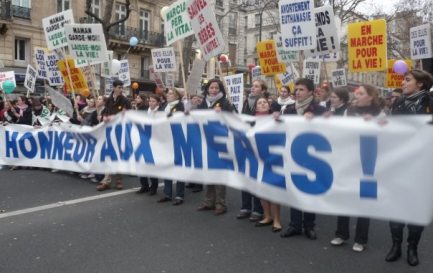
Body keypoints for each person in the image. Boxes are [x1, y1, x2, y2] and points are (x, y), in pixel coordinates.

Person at [385, 69, 433, 266]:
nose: (402, 83)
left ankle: (412, 247)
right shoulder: (398, 103)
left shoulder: (429, 103)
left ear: (420, 84)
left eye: (407, 80)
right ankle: (396, 245)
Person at [330, 84, 383, 252]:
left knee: (364, 199)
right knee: (345, 195)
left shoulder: (380, 113)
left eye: (361, 93)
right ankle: (341, 234)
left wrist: (372, 125)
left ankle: (361, 239)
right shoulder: (349, 111)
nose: (357, 95)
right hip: (350, 158)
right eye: (356, 93)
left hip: (369, 159)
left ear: (371, 97)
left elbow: (386, 135)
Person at [280, 78, 325, 240]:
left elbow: (330, 129)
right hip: (294, 155)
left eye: (301, 90)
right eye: (296, 90)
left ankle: (309, 225)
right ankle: (295, 224)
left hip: (313, 156)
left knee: (309, 191)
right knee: (294, 189)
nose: (297, 92)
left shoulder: (319, 110)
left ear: (311, 92)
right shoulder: (290, 110)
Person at [196, 78, 235, 215]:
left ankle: (221, 203)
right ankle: (209, 201)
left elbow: (232, 120)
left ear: (220, 90)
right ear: (207, 89)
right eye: (211, 88)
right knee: (209, 172)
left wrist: (222, 115)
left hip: (220, 141)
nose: (213, 90)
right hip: (206, 141)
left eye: (216, 88)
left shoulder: (225, 103)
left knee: (219, 172)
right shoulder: (202, 103)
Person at [253, 96, 283, 232]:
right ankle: (267, 216)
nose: (262, 104)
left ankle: (277, 219)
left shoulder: (275, 119)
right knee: (262, 189)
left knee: (274, 189)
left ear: (269, 105)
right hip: (258, 158)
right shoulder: (252, 121)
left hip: (273, 158)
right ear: (256, 107)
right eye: (259, 103)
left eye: (264, 102)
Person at [96, 79, 131, 191]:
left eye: (122, 87)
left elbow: (127, 115)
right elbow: (105, 112)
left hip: (120, 132)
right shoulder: (108, 100)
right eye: (119, 87)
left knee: (118, 155)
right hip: (109, 131)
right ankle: (106, 180)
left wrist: (118, 115)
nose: (121, 89)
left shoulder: (125, 100)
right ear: (114, 88)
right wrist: (102, 118)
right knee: (109, 155)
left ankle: (119, 179)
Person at [158, 88, 186, 206]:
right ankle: (167, 193)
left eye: (171, 93)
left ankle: (179, 195)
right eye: (168, 93)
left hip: (177, 140)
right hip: (166, 141)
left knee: (179, 168)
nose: (168, 95)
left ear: (177, 96)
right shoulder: (165, 106)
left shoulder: (181, 106)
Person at [136, 94, 162, 196]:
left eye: (153, 101)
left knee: (151, 165)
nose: (151, 103)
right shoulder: (145, 111)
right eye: (150, 101)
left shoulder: (160, 113)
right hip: (143, 140)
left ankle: (153, 187)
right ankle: (144, 185)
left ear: (158, 103)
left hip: (154, 142)